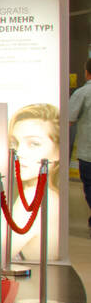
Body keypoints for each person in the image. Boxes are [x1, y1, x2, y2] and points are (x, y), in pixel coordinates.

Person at [9, 102, 61, 260]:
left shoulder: (35, 197)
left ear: (58, 150)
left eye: (34, 144)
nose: (19, 152)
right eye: (15, 143)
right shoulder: (47, 195)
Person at [70, 60, 91, 225]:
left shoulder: (83, 93)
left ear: (86, 72)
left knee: (90, 187)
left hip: (88, 152)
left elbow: (69, 119)